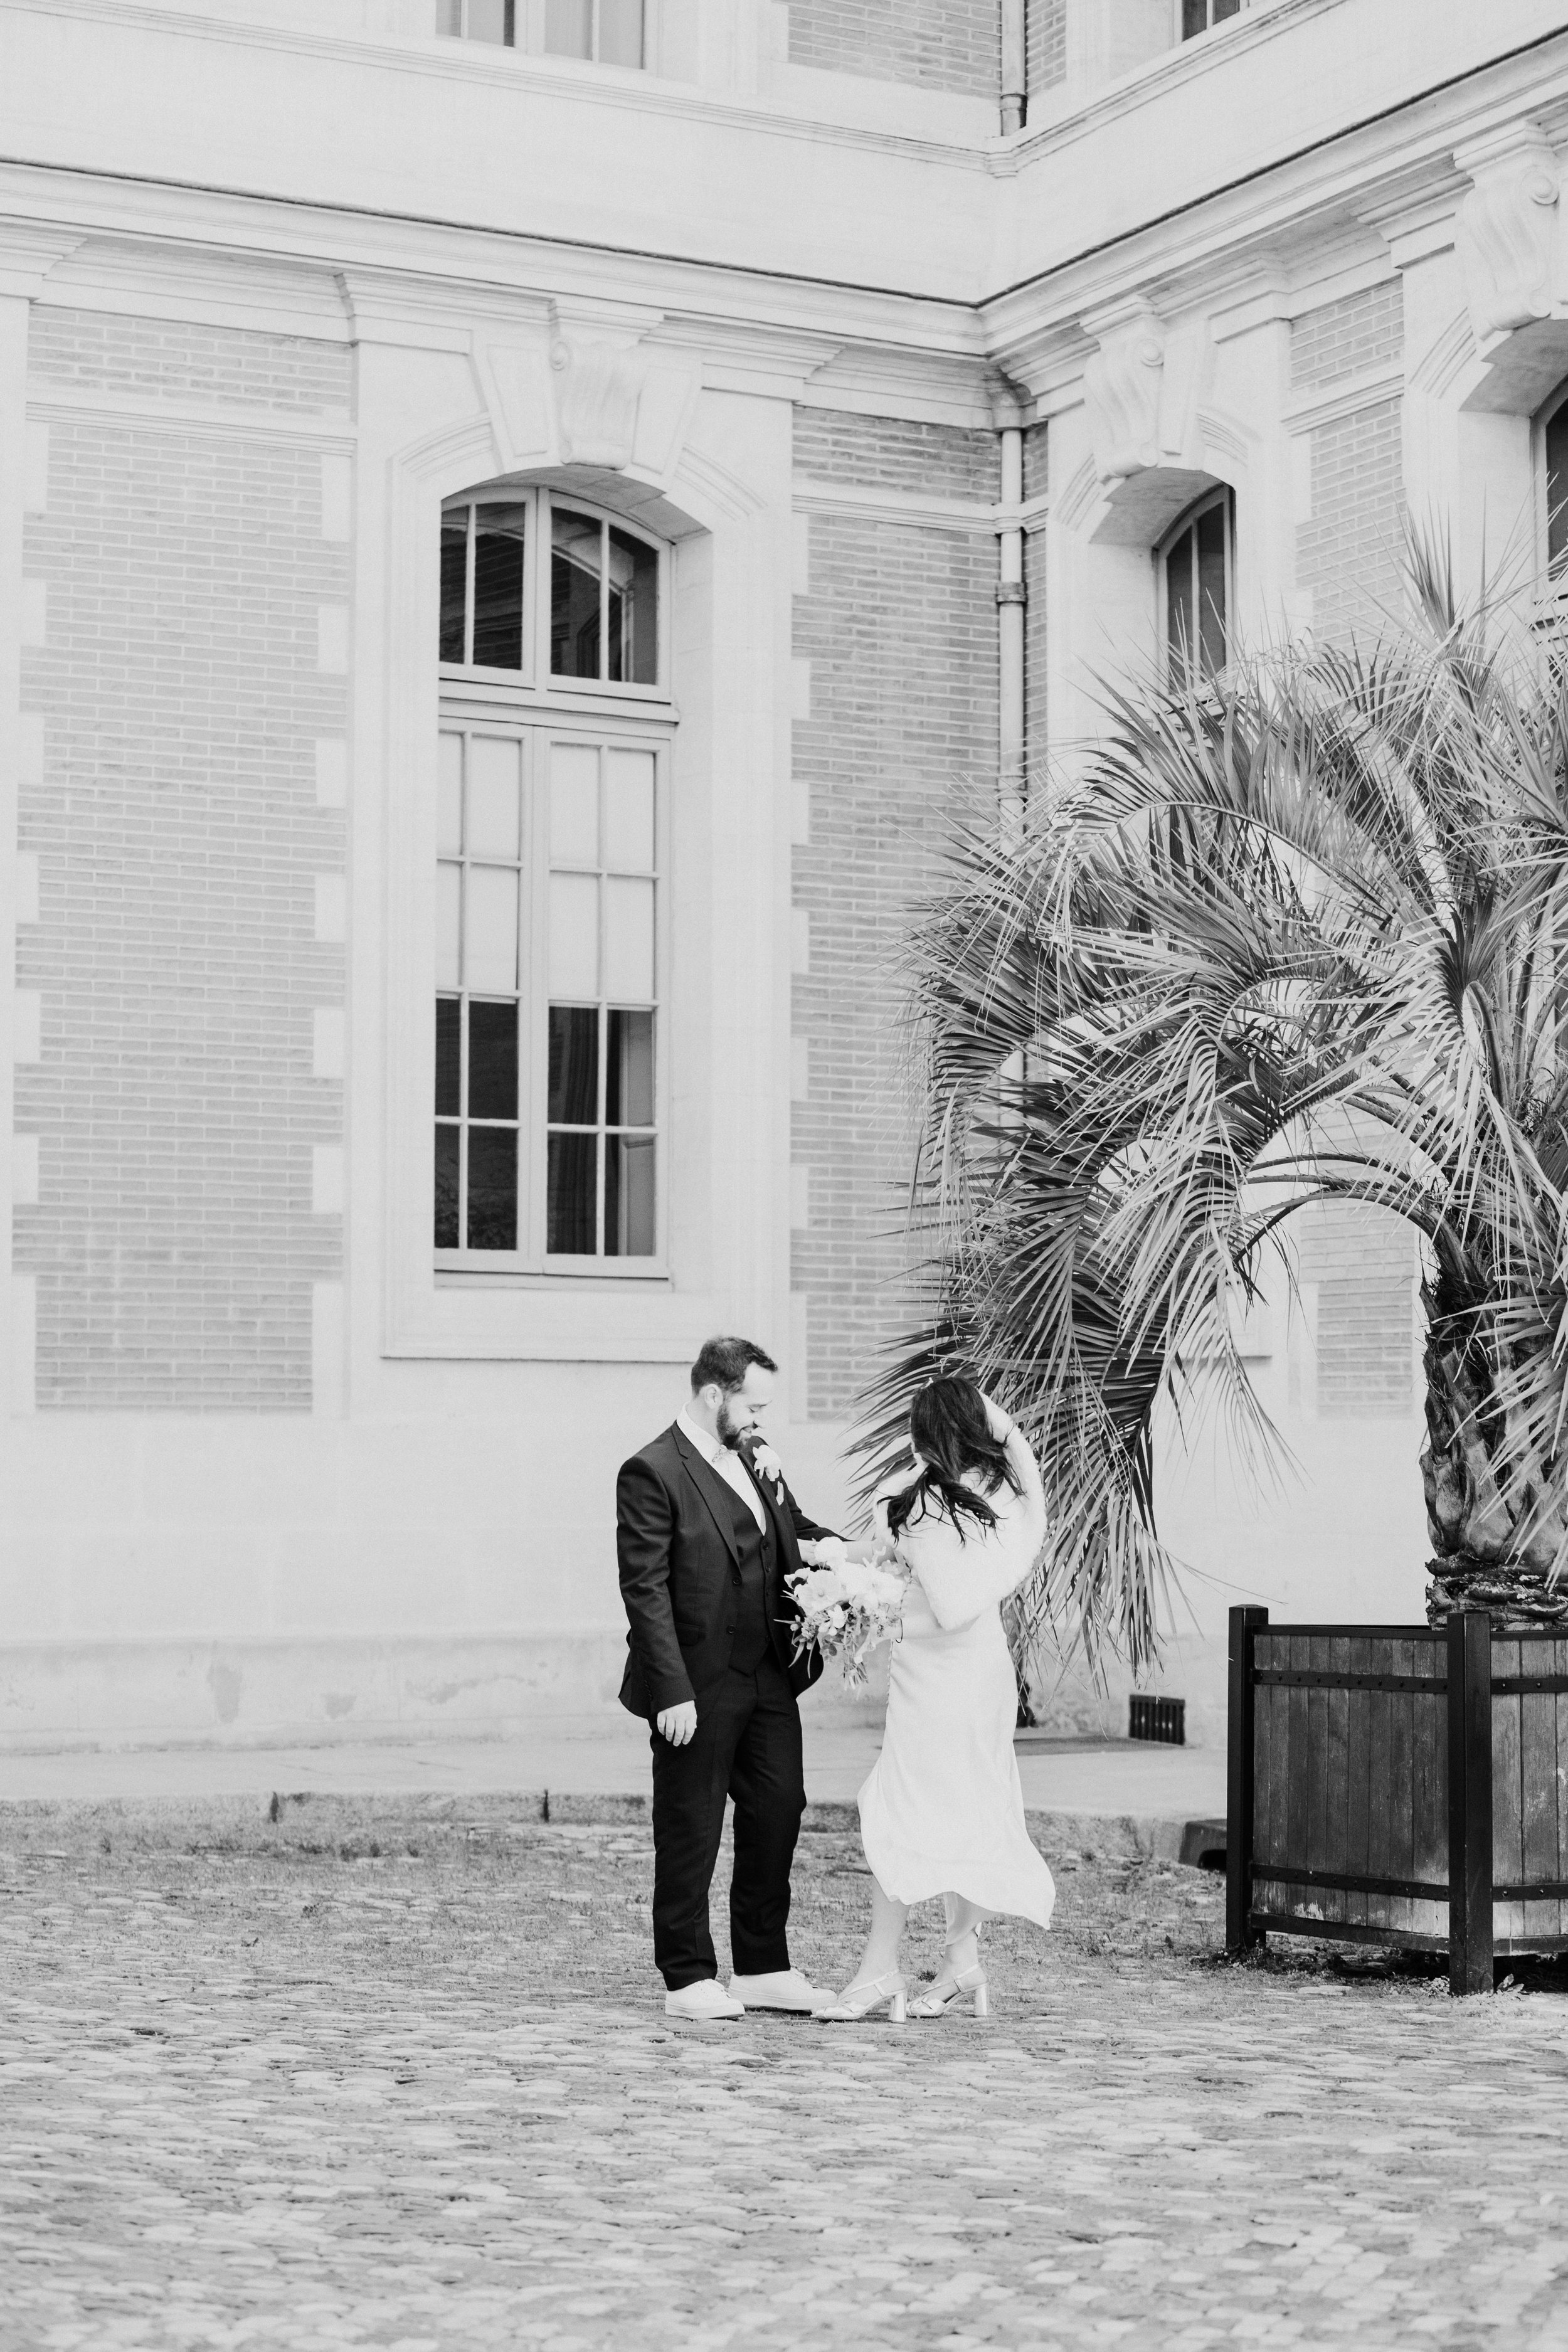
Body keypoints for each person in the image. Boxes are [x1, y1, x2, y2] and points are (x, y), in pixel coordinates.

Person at [818, 1375, 1054, 2023]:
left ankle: (879, 1969)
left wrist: (851, 1584)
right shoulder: (1005, 1497)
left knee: (898, 1809)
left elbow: (916, 1593)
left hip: (931, 1680)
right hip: (979, 1675)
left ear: (922, 1433)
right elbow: (1022, 1459)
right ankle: (960, 1963)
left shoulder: (911, 1502)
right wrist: (986, 1421)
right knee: (966, 1808)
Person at [617, 1335, 839, 2021]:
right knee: (691, 1824)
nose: (760, 1420)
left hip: (768, 1673)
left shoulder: (754, 1459)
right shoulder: (651, 1471)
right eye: (754, 1405)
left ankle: (764, 1967)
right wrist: (671, 1690)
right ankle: (686, 1977)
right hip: (697, 1681)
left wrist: (859, 1557)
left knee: (780, 1808)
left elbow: (793, 1533)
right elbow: (644, 1589)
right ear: (715, 1395)